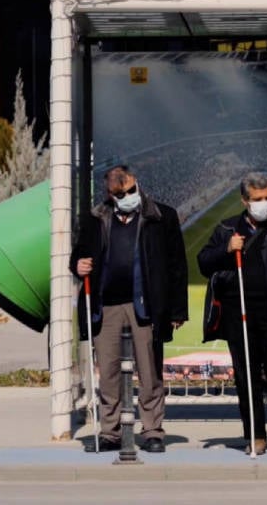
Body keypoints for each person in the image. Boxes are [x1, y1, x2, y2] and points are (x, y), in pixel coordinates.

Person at [70, 165, 188, 454]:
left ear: (137, 183)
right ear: (110, 194)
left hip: (146, 306)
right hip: (106, 305)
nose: (125, 197)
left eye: (128, 191)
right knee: (107, 370)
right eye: (118, 194)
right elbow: (79, 255)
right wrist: (77, 265)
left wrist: (177, 310)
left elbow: (177, 265)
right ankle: (110, 432)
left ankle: (152, 430)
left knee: (149, 370)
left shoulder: (161, 217)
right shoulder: (95, 218)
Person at [197, 172, 267, 456]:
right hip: (239, 316)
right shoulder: (226, 230)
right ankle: (255, 435)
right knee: (246, 377)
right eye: (258, 199)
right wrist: (227, 250)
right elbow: (203, 263)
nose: (265, 204)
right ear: (245, 200)